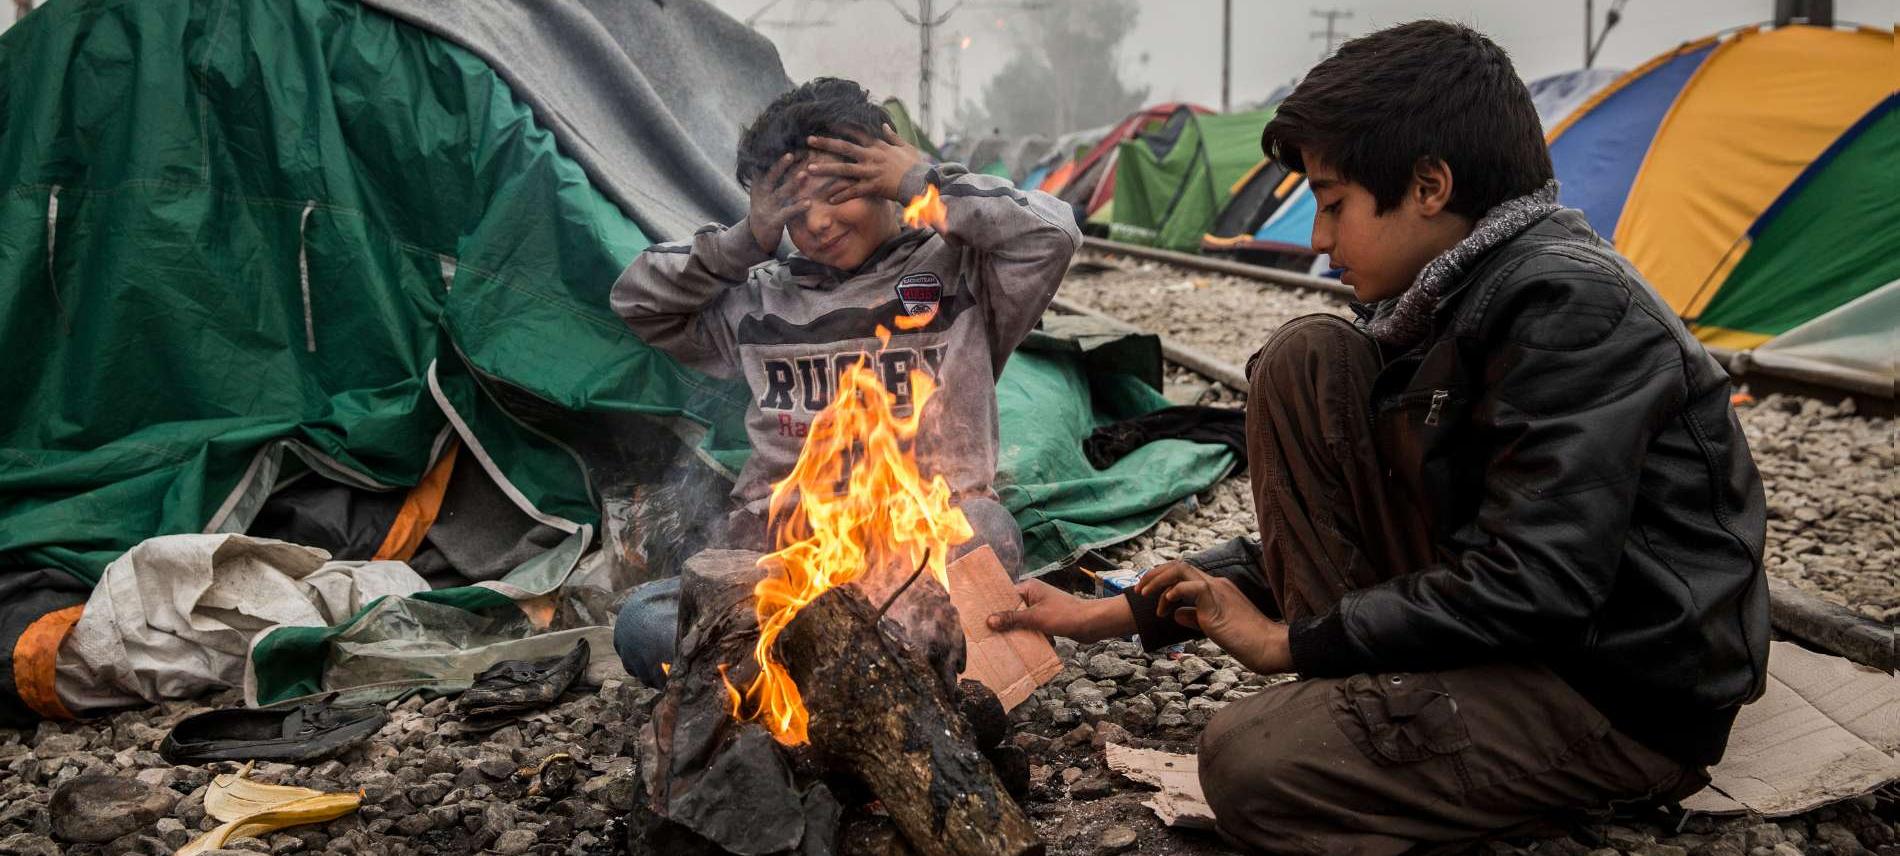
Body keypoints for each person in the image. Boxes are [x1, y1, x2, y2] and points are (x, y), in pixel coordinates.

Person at [988, 21, 1768, 854]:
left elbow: (1538, 582)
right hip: (1524, 638)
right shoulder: (1452, 299)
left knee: (1252, 764)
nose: (1319, 243)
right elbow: (1356, 516)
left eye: (1332, 205)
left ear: (1429, 185)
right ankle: (1383, 724)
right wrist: (1109, 610)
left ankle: (1520, 800)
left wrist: (1291, 641)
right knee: (1307, 358)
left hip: (1609, 690)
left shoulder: (1568, 309)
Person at [609, 78, 1081, 687]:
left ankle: (826, 683)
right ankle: (850, 678)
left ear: (885, 178)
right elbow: (637, 301)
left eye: (840, 193)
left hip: (920, 550)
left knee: (985, 535)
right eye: (795, 212)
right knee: (644, 625)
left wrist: (923, 182)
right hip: (782, 556)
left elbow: (1054, 234)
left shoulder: (961, 272)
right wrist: (742, 243)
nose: (821, 223)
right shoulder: (759, 298)